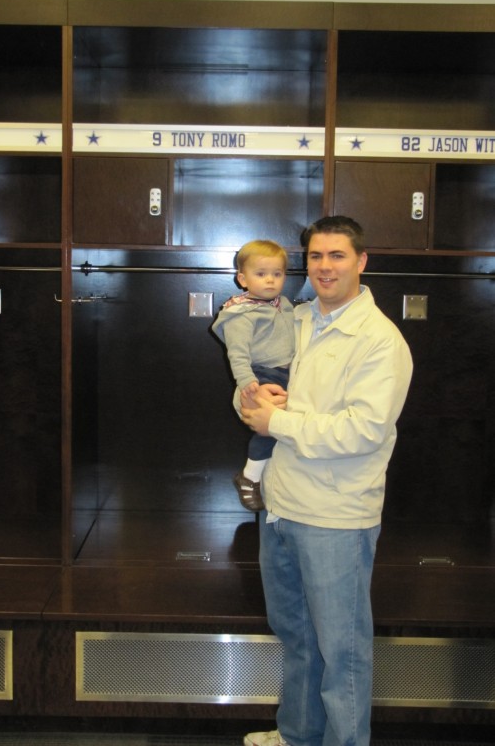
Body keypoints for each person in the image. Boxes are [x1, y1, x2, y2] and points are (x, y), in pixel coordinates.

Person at [239, 216, 413, 746]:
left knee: (343, 651)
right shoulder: (297, 318)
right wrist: (250, 400)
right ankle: (297, 736)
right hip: (283, 508)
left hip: (336, 519)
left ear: (362, 262)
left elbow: (363, 431)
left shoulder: (381, 340)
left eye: (337, 256)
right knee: (296, 638)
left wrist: (278, 424)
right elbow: (258, 384)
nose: (324, 266)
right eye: (316, 256)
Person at [212, 239, 295, 512]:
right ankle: (249, 477)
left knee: (287, 430)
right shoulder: (241, 313)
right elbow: (237, 353)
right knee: (270, 427)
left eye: (277, 274)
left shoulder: (282, 304)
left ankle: (270, 478)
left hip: (288, 373)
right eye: (261, 274)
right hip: (261, 374)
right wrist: (247, 382)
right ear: (242, 279)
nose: (270, 280)